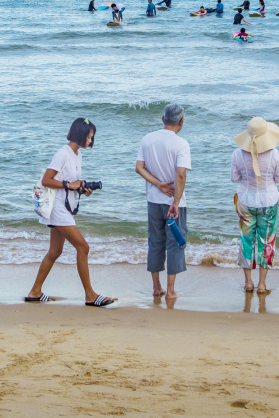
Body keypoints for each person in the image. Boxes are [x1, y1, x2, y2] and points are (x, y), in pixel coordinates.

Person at [25, 118, 114, 307]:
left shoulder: (77, 155)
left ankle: (35, 292)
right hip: (58, 209)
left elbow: (71, 184)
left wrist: (82, 189)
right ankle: (90, 295)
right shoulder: (63, 154)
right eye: (89, 136)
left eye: (92, 137)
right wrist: (69, 185)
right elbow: (46, 180)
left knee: (55, 251)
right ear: (80, 134)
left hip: (64, 209)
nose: (91, 140)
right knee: (83, 247)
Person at [135, 103, 190, 300]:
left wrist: (158, 184)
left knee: (155, 242)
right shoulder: (181, 144)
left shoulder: (147, 139)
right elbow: (181, 175)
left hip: (153, 201)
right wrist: (175, 201)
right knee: (174, 243)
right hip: (175, 204)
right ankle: (171, 291)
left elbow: (139, 168)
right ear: (181, 122)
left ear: (163, 119)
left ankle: (157, 288)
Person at [231, 117, 279, 293]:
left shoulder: (237, 153)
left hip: (246, 201)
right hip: (268, 202)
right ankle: (261, 284)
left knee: (246, 241)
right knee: (267, 243)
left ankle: (248, 282)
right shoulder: (275, 154)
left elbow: (234, 178)